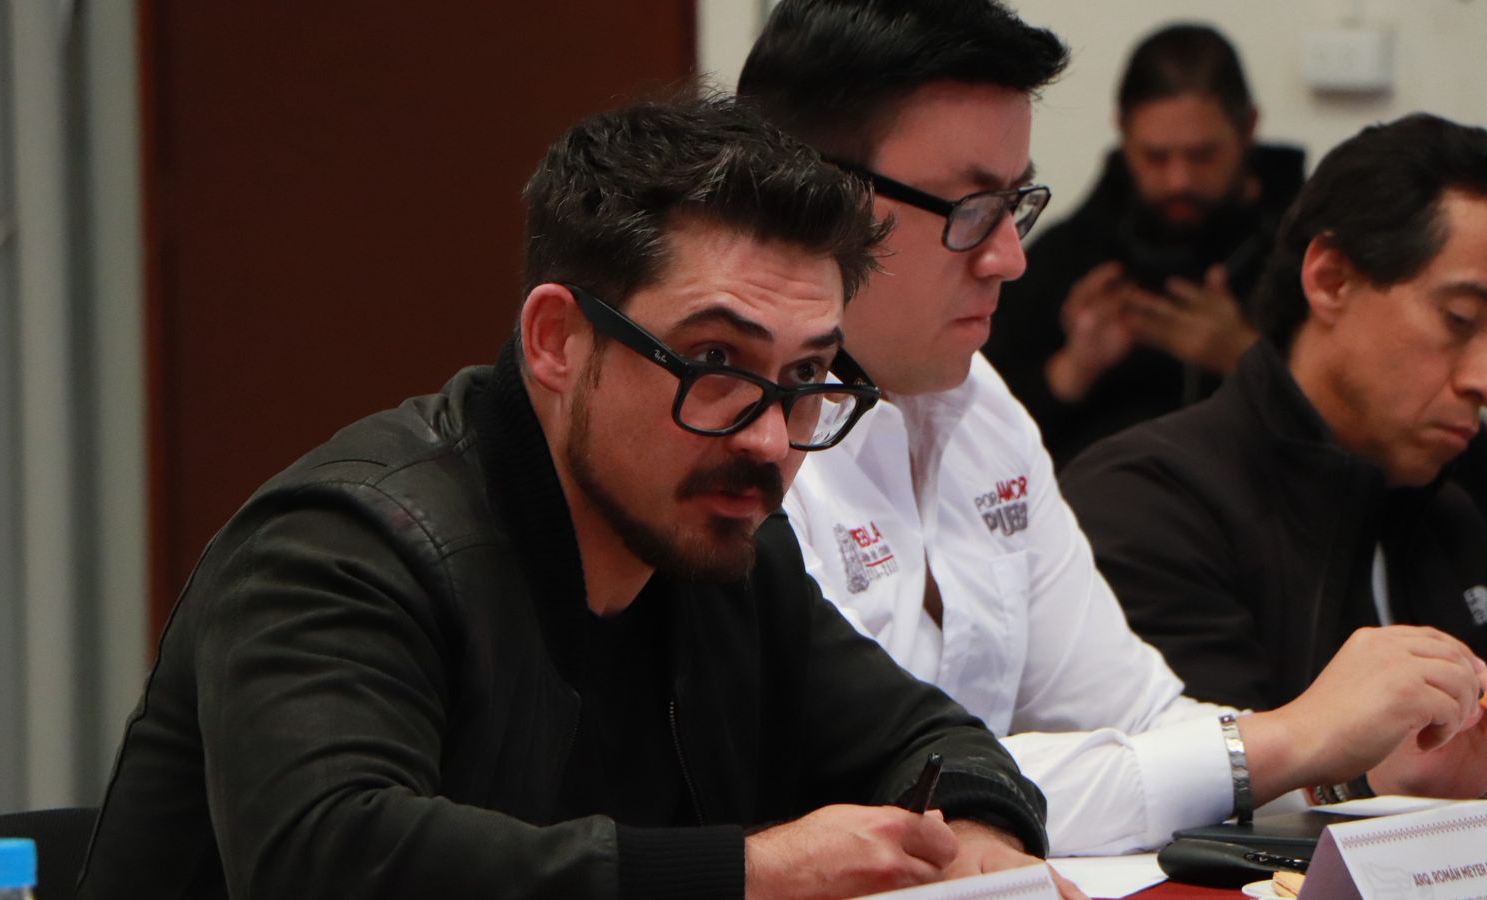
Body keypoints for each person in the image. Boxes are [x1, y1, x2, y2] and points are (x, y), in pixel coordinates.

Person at [76, 94, 1067, 900]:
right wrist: (750, 872)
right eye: (714, 363)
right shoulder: (345, 545)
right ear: (556, 341)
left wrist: (979, 839)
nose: (770, 440)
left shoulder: (728, 552)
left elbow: (926, 742)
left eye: (806, 377)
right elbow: (329, 856)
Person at [738, 0, 1487, 857]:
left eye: (1014, 205)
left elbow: (1136, 715)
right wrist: (1291, 740)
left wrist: (1349, 767)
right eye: (970, 208)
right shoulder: (746, 442)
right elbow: (884, 794)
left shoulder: (980, 407)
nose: (1011, 257)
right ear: (815, 199)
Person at [1063, 115, 1487, 760]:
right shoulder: (1146, 505)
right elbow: (1184, 786)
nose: (1481, 378)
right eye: (1459, 319)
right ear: (1331, 279)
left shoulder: (1453, 512)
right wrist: (1379, 775)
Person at [986, 24, 1305, 466]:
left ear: (1247, 127)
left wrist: (1246, 356)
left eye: (1202, 155)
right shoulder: (1068, 256)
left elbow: (1362, 420)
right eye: (1156, 156)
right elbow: (978, 438)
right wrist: (1073, 368)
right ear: (1123, 132)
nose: (1179, 180)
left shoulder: (1310, 253)